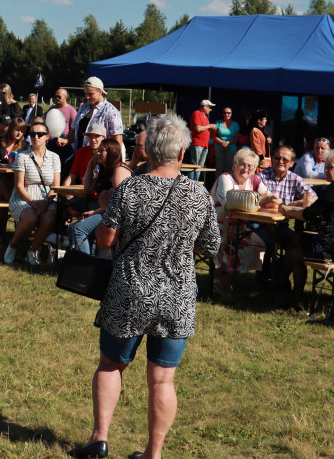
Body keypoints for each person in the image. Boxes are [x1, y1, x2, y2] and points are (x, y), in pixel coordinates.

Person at [70, 114, 218, 459]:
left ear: (148, 151)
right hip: (177, 296)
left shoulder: (130, 189)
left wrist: (106, 208)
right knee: (163, 380)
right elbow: (210, 246)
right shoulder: (198, 193)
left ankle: (100, 439)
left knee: (110, 365)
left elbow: (105, 241)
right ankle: (153, 454)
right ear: (181, 152)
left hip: (130, 290)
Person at [279, 149, 334, 309]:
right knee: (297, 240)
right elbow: (322, 213)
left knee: (295, 244)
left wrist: (287, 211)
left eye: (330, 167)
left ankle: (292, 292)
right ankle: (284, 284)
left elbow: (310, 214)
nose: (326, 171)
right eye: (325, 167)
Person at [211, 147, 277, 297]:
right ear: (234, 164)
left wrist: (272, 199)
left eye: (250, 166)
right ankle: (225, 281)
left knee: (262, 244)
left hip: (239, 227)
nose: (246, 169)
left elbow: (269, 195)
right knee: (241, 246)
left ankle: (220, 275)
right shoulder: (225, 179)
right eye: (242, 164)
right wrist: (262, 200)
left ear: (254, 170)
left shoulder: (253, 179)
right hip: (219, 226)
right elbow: (230, 204)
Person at [257, 144, 316, 288]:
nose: (280, 161)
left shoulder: (295, 179)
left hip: (280, 225)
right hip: (259, 223)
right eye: (277, 158)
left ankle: (279, 277)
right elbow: (252, 198)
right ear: (272, 159)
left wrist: (290, 204)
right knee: (268, 243)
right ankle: (263, 278)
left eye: (285, 159)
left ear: (291, 163)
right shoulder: (261, 176)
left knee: (297, 245)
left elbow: (313, 198)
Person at [3, 122, 61, 265]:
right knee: (31, 218)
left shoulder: (54, 157)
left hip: (46, 197)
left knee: (50, 216)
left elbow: (56, 185)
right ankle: (13, 245)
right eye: (33, 134)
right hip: (24, 197)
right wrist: (32, 202)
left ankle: (33, 249)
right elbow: (19, 186)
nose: (36, 137)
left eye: (40, 134)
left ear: (47, 137)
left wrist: (47, 201)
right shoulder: (22, 157)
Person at [68, 140, 132, 255]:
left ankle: (87, 265)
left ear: (112, 152)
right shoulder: (104, 170)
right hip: (106, 212)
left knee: (79, 229)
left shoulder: (119, 170)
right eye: (98, 150)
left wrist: (95, 212)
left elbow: (120, 203)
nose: (97, 153)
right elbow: (87, 189)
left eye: (101, 151)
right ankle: (81, 264)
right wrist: (89, 165)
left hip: (116, 218)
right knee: (72, 226)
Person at [70, 78, 124, 153]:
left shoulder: (111, 111)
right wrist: (65, 140)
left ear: (100, 92)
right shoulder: (83, 108)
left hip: (99, 160)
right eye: (85, 93)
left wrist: (110, 161)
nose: (87, 97)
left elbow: (117, 141)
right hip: (79, 156)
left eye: (90, 94)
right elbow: (74, 131)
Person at [187, 99, 214, 181]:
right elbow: (198, 128)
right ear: (205, 106)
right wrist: (210, 126)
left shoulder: (205, 116)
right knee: (194, 166)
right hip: (197, 143)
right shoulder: (196, 113)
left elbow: (204, 129)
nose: (211, 109)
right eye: (210, 107)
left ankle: (195, 184)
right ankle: (191, 184)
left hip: (204, 145)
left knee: (200, 167)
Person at [213, 106, 239, 175]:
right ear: (222, 114)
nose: (226, 114)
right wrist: (222, 143)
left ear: (231, 114)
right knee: (219, 167)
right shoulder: (218, 123)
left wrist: (228, 143)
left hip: (231, 147)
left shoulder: (236, 124)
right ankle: (217, 184)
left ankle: (227, 184)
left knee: (229, 168)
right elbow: (214, 136)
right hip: (219, 146)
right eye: (225, 113)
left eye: (228, 113)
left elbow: (236, 138)